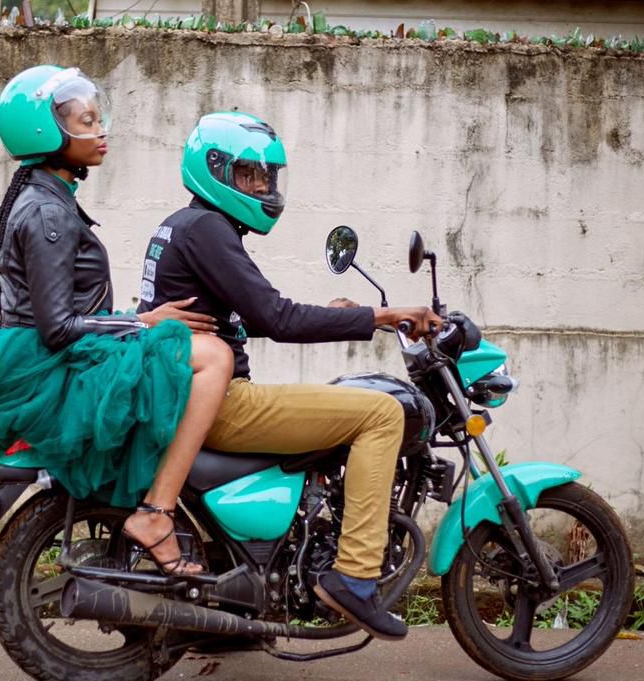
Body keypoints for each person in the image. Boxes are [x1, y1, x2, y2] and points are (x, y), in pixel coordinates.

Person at [136, 112, 441, 638]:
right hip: (221, 400)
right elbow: (276, 318)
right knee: (381, 414)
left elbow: (250, 314)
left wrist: (344, 312)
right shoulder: (208, 229)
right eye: (248, 174)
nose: (260, 186)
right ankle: (355, 577)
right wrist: (381, 316)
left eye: (266, 177)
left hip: (188, 392)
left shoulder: (188, 226)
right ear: (214, 171)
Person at [0, 66, 233, 576]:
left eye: (98, 119)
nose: (101, 131)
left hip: (46, 350)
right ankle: (158, 512)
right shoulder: (49, 213)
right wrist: (144, 324)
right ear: (46, 134)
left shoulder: (43, 195)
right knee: (215, 356)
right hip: (51, 361)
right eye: (86, 122)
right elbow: (58, 328)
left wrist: (141, 320)